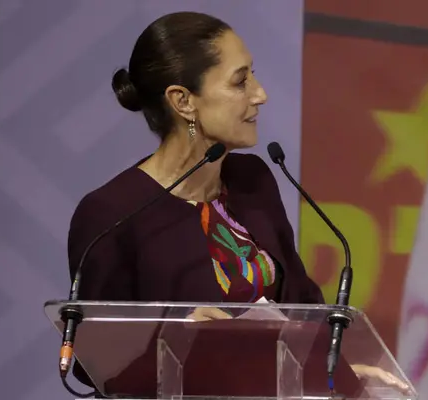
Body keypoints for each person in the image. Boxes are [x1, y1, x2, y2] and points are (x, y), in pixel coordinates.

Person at [67, 11, 409, 396]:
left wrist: (337, 373)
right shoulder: (111, 215)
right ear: (183, 101)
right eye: (240, 81)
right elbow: (95, 363)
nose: (260, 94)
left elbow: (301, 308)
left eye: (253, 76)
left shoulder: (254, 181)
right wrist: (179, 338)